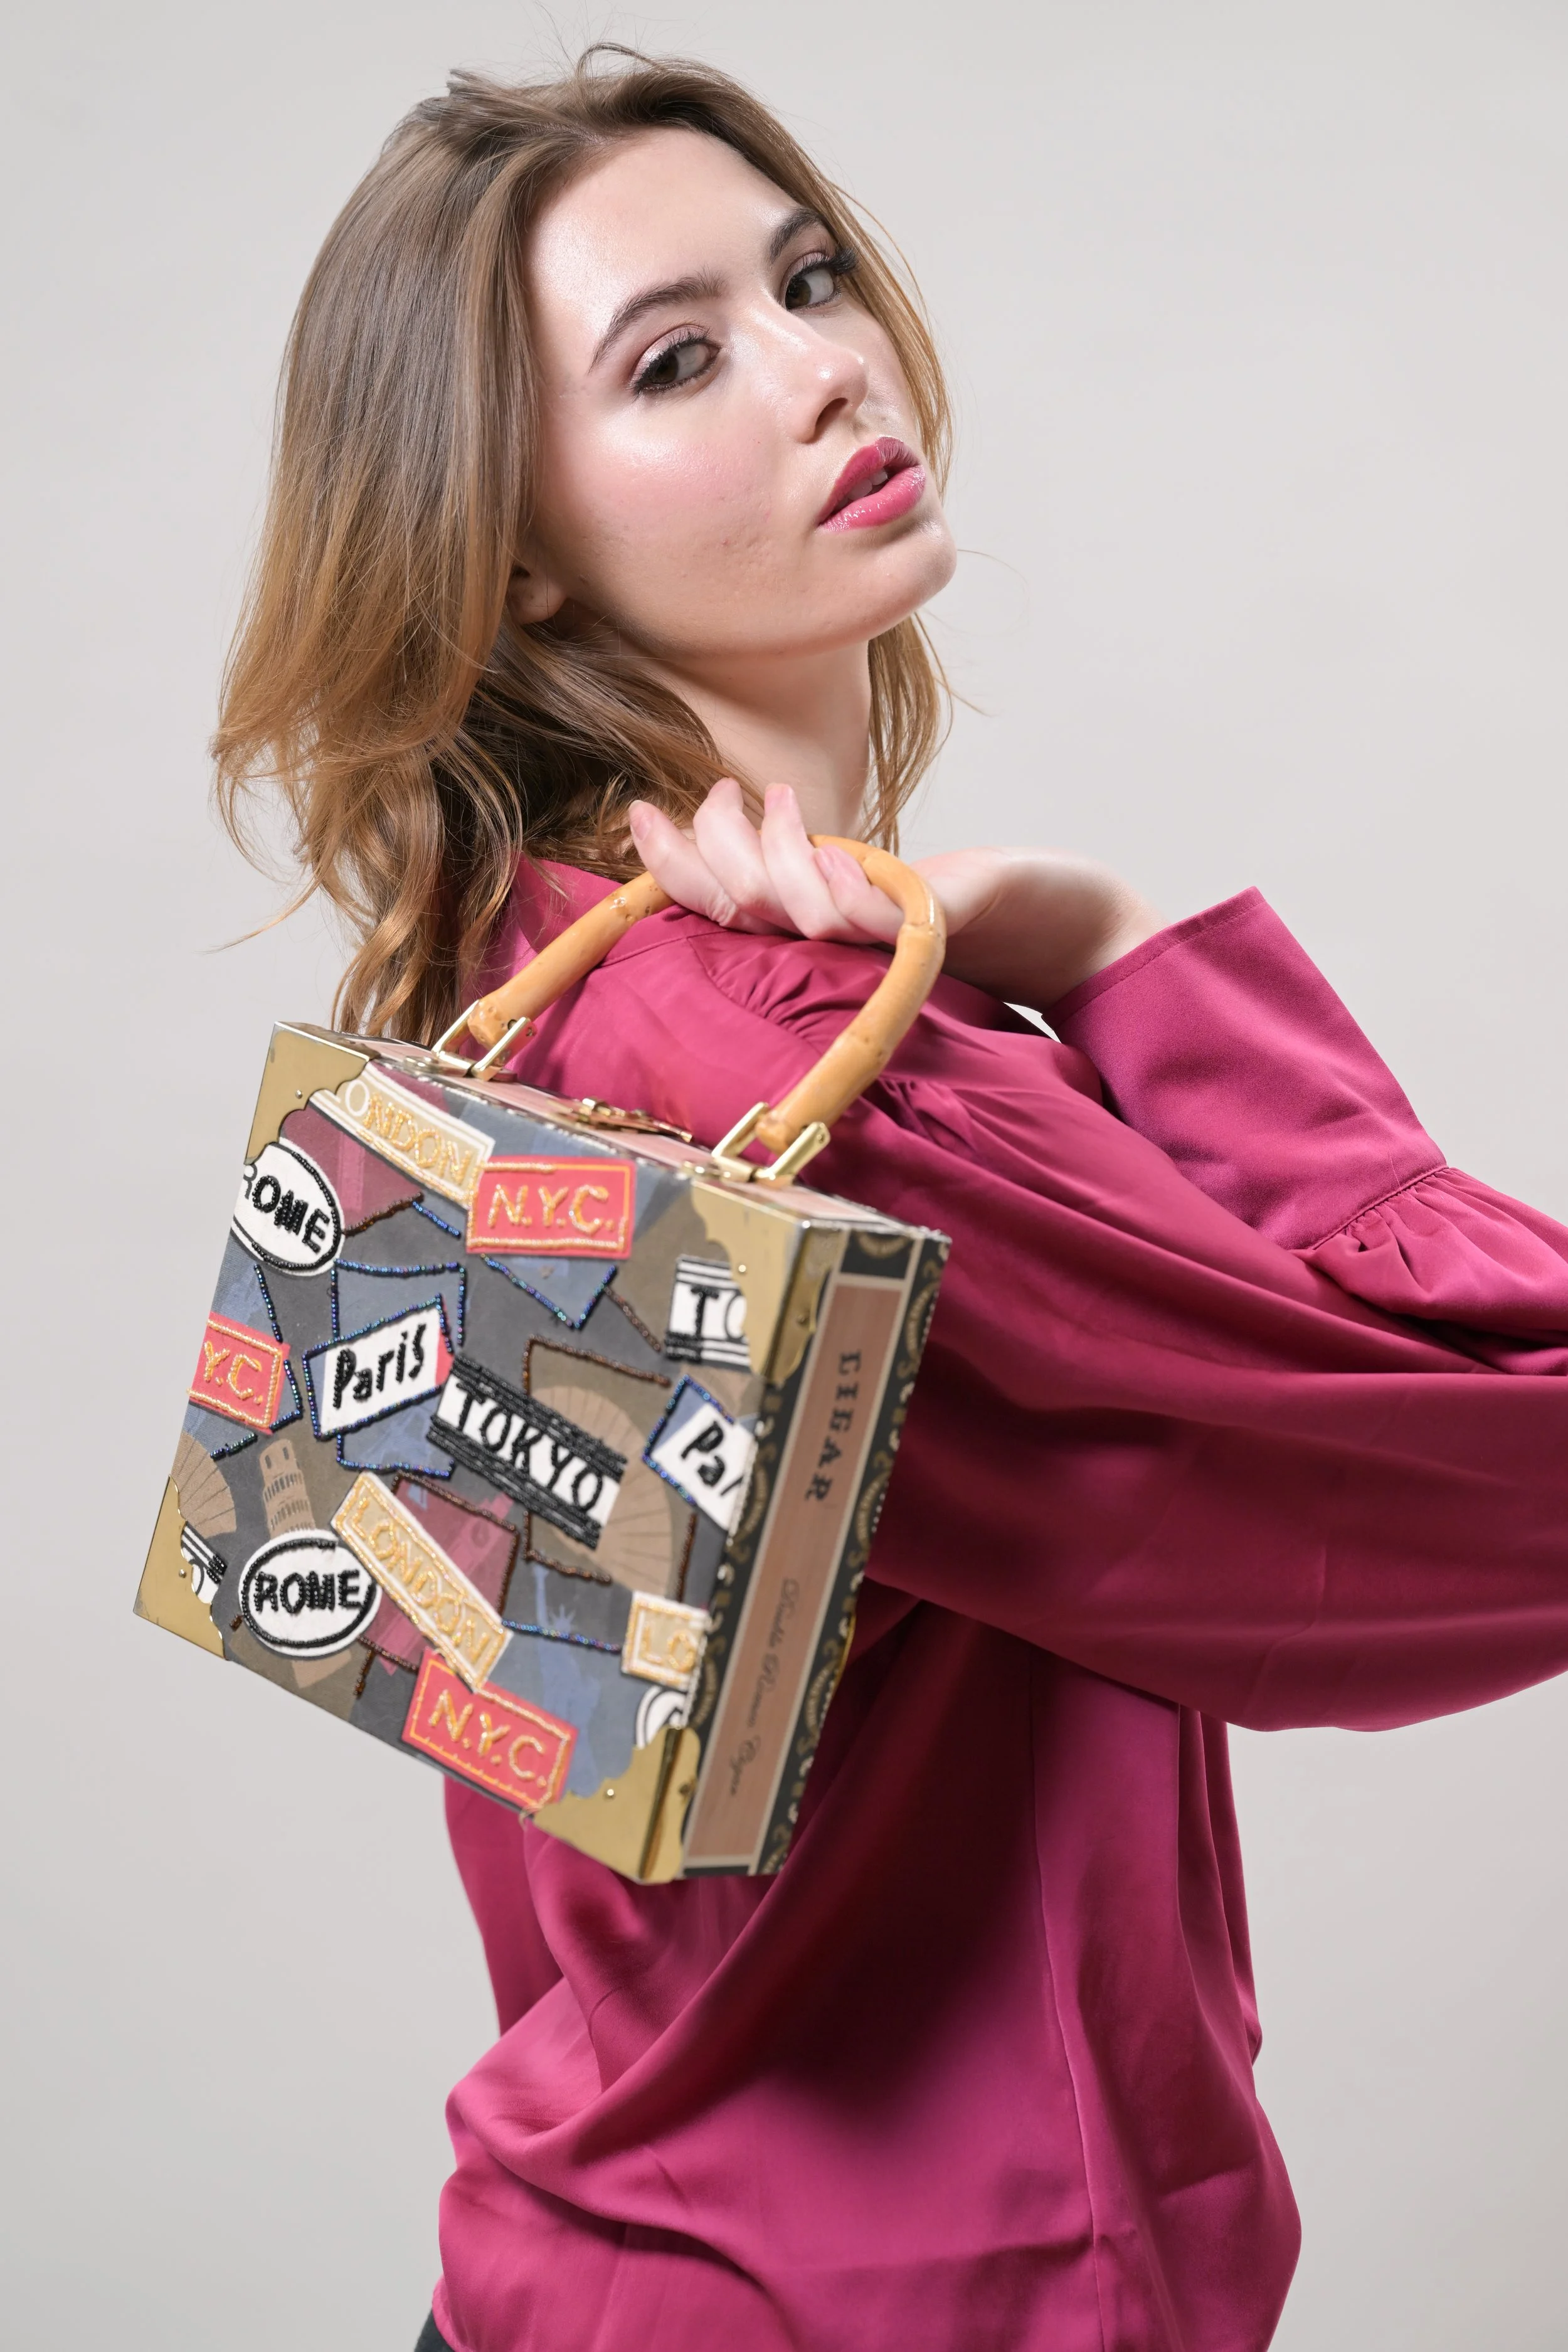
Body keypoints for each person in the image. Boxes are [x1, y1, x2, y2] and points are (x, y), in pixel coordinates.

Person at [215, 49, 1568, 2352]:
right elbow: (1516, 1472)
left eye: (807, 274)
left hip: (599, 2263)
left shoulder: (527, 991)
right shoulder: (810, 1087)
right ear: (512, 538)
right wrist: (1134, 950)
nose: (824, 364)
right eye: (675, 358)